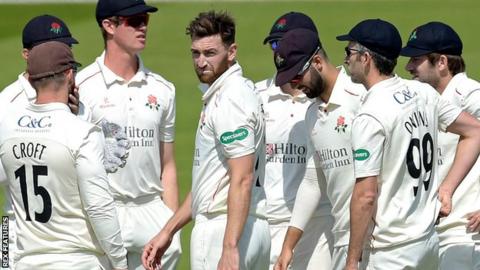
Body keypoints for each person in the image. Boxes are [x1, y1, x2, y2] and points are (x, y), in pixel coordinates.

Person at [336, 19, 480, 270]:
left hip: (390, 250)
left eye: (349, 52)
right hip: (427, 243)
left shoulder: (370, 115)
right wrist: (446, 189)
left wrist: (351, 261)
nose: (346, 59)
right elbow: (474, 131)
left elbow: (365, 196)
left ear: (366, 58)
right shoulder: (423, 93)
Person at [141, 10, 270, 270]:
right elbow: (208, 184)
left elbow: (242, 178)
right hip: (250, 226)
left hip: (224, 229)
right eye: (196, 53)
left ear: (232, 51)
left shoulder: (230, 99)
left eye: (210, 53)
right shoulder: (235, 92)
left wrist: (229, 246)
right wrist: (168, 231)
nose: (201, 62)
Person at [0, 41, 128, 270]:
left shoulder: (8, 129)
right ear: (70, 75)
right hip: (77, 261)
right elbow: (99, 208)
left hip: (26, 262)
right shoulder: (81, 132)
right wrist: (120, 263)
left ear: (31, 79)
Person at [76, 0, 181, 269]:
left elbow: (167, 164)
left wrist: (170, 222)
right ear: (109, 26)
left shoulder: (163, 88)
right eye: (134, 21)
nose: (143, 26)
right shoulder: (81, 86)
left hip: (151, 212)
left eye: (145, 19)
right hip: (104, 211)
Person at [272, 28, 366, 270]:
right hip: (343, 237)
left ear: (317, 62)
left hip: (376, 239)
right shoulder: (312, 113)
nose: (294, 85)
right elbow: (313, 180)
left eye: (296, 77)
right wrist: (288, 247)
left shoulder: (361, 98)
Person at [0, 14, 80, 270]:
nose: (62, 54)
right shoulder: (6, 104)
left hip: (65, 235)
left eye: (66, 47)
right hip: (15, 230)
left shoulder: (75, 99)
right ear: (27, 54)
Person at [257, 12, 334, 270]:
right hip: (268, 221)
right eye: (274, 45)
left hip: (319, 225)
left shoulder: (323, 100)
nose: (279, 52)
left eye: (284, 44)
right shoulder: (255, 95)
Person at [400, 21, 480, 270]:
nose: (408, 67)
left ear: (442, 62)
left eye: (416, 59)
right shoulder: (426, 99)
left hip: (466, 232)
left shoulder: (471, 94)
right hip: (433, 232)